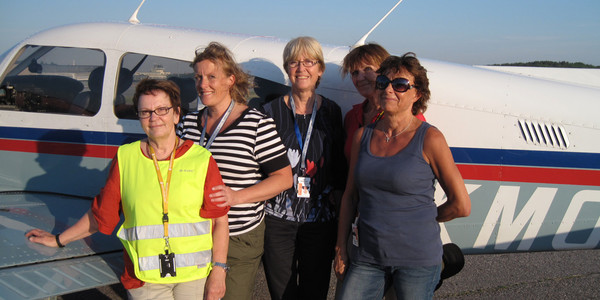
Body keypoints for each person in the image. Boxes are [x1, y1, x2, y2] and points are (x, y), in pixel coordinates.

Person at [26, 79, 230, 300]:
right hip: (144, 279)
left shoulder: (202, 160)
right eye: (146, 112)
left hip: (195, 277)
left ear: (176, 114)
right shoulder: (126, 158)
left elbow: (220, 220)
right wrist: (58, 240)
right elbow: (101, 215)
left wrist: (219, 271)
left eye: (162, 109)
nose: (154, 118)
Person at [335, 53, 471, 300]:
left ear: (417, 94)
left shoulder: (430, 138)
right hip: (368, 256)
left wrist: (424, 219)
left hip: (416, 260)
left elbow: (461, 205)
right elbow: (350, 196)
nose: (389, 89)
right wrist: (341, 248)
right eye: (383, 82)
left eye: (399, 85)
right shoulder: (362, 136)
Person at [176, 42, 292, 300]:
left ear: (231, 80)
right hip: (195, 233)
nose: (203, 84)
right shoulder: (188, 123)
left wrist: (235, 197)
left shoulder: (256, 123)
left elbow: (284, 178)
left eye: (211, 77)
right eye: (198, 77)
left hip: (238, 235)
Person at [261, 36, 346, 300]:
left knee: (315, 291)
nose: (301, 68)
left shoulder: (332, 111)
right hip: (277, 221)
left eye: (309, 61)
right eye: (294, 62)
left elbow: (340, 168)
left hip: (319, 221)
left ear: (320, 69)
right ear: (287, 68)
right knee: (282, 292)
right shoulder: (268, 112)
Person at [342, 43, 427, 161]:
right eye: (355, 73)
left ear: (385, 72)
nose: (360, 78)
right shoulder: (351, 117)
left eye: (368, 69)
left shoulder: (409, 115)